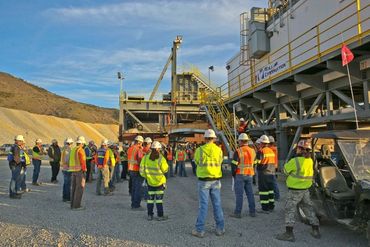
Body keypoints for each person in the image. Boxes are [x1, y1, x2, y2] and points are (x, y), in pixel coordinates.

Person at [276, 140, 321, 242]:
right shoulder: (310, 161)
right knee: (308, 209)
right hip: (305, 190)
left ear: (300, 149)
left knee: (289, 210)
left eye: (297, 148)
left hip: (294, 191)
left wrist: (291, 158)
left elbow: (285, 171)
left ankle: (289, 234)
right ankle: (315, 230)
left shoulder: (294, 161)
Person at [192, 129, 225, 238]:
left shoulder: (199, 150)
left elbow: (196, 162)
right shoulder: (219, 150)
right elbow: (220, 162)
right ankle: (220, 229)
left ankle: (199, 230)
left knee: (203, 206)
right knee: (217, 204)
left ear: (205, 138)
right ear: (214, 138)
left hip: (204, 181)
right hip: (215, 181)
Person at [140, 141, 169, 221]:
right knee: (159, 200)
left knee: (150, 200)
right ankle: (160, 216)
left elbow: (141, 170)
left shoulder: (145, 158)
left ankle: (150, 215)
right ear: (158, 149)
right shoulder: (161, 158)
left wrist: (146, 177)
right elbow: (165, 170)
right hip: (159, 183)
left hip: (150, 182)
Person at [230, 133, 256, 218]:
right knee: (250, 194)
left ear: (240, 141)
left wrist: (233, 174)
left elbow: (234, 164)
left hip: (240, 174)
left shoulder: (238, 151)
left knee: (239, 195)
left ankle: (238, 213)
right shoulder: (252, 151)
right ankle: (252, 212)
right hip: (250, 174)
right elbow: (254, 163)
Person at [256, 135, 276, 213]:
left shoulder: (261, 151)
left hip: (263, 173)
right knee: (270, 190)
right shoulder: (271, 150)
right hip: (271, 172)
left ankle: (265, 208)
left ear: (261, 143)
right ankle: (271, 206)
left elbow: (257, 162)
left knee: (263, 191)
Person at [69, 136, 87, 210]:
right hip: (79, 170)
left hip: (73, 170)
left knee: (74, 188)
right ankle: (76, 206)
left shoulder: (73, 149)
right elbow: (82, 161)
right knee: (79, 188)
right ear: (82, 143)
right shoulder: (80, 150)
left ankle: (72, 204)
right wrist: (84, 169)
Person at [128, 135, 144, 210]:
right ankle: (136, 205)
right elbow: (140, 160)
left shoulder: (130, 148)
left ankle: (133, 203)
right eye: (141, 143)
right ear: (139, 142)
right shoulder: (139, 149)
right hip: (137, 170)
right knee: (138, 188)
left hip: (131, 170)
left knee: (134, 187)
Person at [61, 137, 74, 202]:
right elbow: (67, 161)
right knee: (67, 184)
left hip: (64, 168)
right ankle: (67, 198)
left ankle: (65, 197)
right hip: (67, 169)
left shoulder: (64, 149)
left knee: (66, 184)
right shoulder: (68, 150)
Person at [269, 136, 280, 201]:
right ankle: (275, 194)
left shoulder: (270, 149)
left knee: (273, 181)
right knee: (272, 181)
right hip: (274, 165)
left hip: (271, 166)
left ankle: (277, 195)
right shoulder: (275, 148)